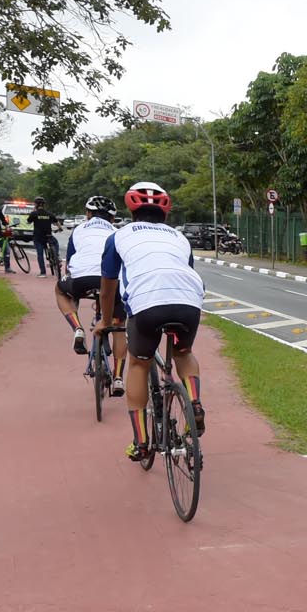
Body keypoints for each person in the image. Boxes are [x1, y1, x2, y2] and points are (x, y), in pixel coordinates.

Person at [96, 181, 206, 462]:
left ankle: (141, 442)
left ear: (130, 210)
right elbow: (181, 273)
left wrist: (106, 322)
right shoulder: (180, 238)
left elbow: (108, 288)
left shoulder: (118, 237)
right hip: (188, 302)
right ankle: (194, 402)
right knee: (183, 352)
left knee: (138, 363)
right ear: (166, 214)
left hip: (147, 306)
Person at [57, 195, 126, 394]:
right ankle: (119, 377)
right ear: (112, 219)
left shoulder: (79, 229)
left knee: (60, 291)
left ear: (88, 214)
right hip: (113, 282)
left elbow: (70, 262)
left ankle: (78, 328)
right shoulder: (117, 232)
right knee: (119, 325)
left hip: (82, 279)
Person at [26, 197, 61, 276]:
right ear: (44, 205)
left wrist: (33, 212)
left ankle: (43, 272)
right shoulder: (49, 213)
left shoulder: (34, 214)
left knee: (40, 254)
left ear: (36, 204)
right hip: (48, 236)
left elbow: (28, 222)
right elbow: (56, 222)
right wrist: (60, 228)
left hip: (38, 237)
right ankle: (56, 257)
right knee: (55, 243)